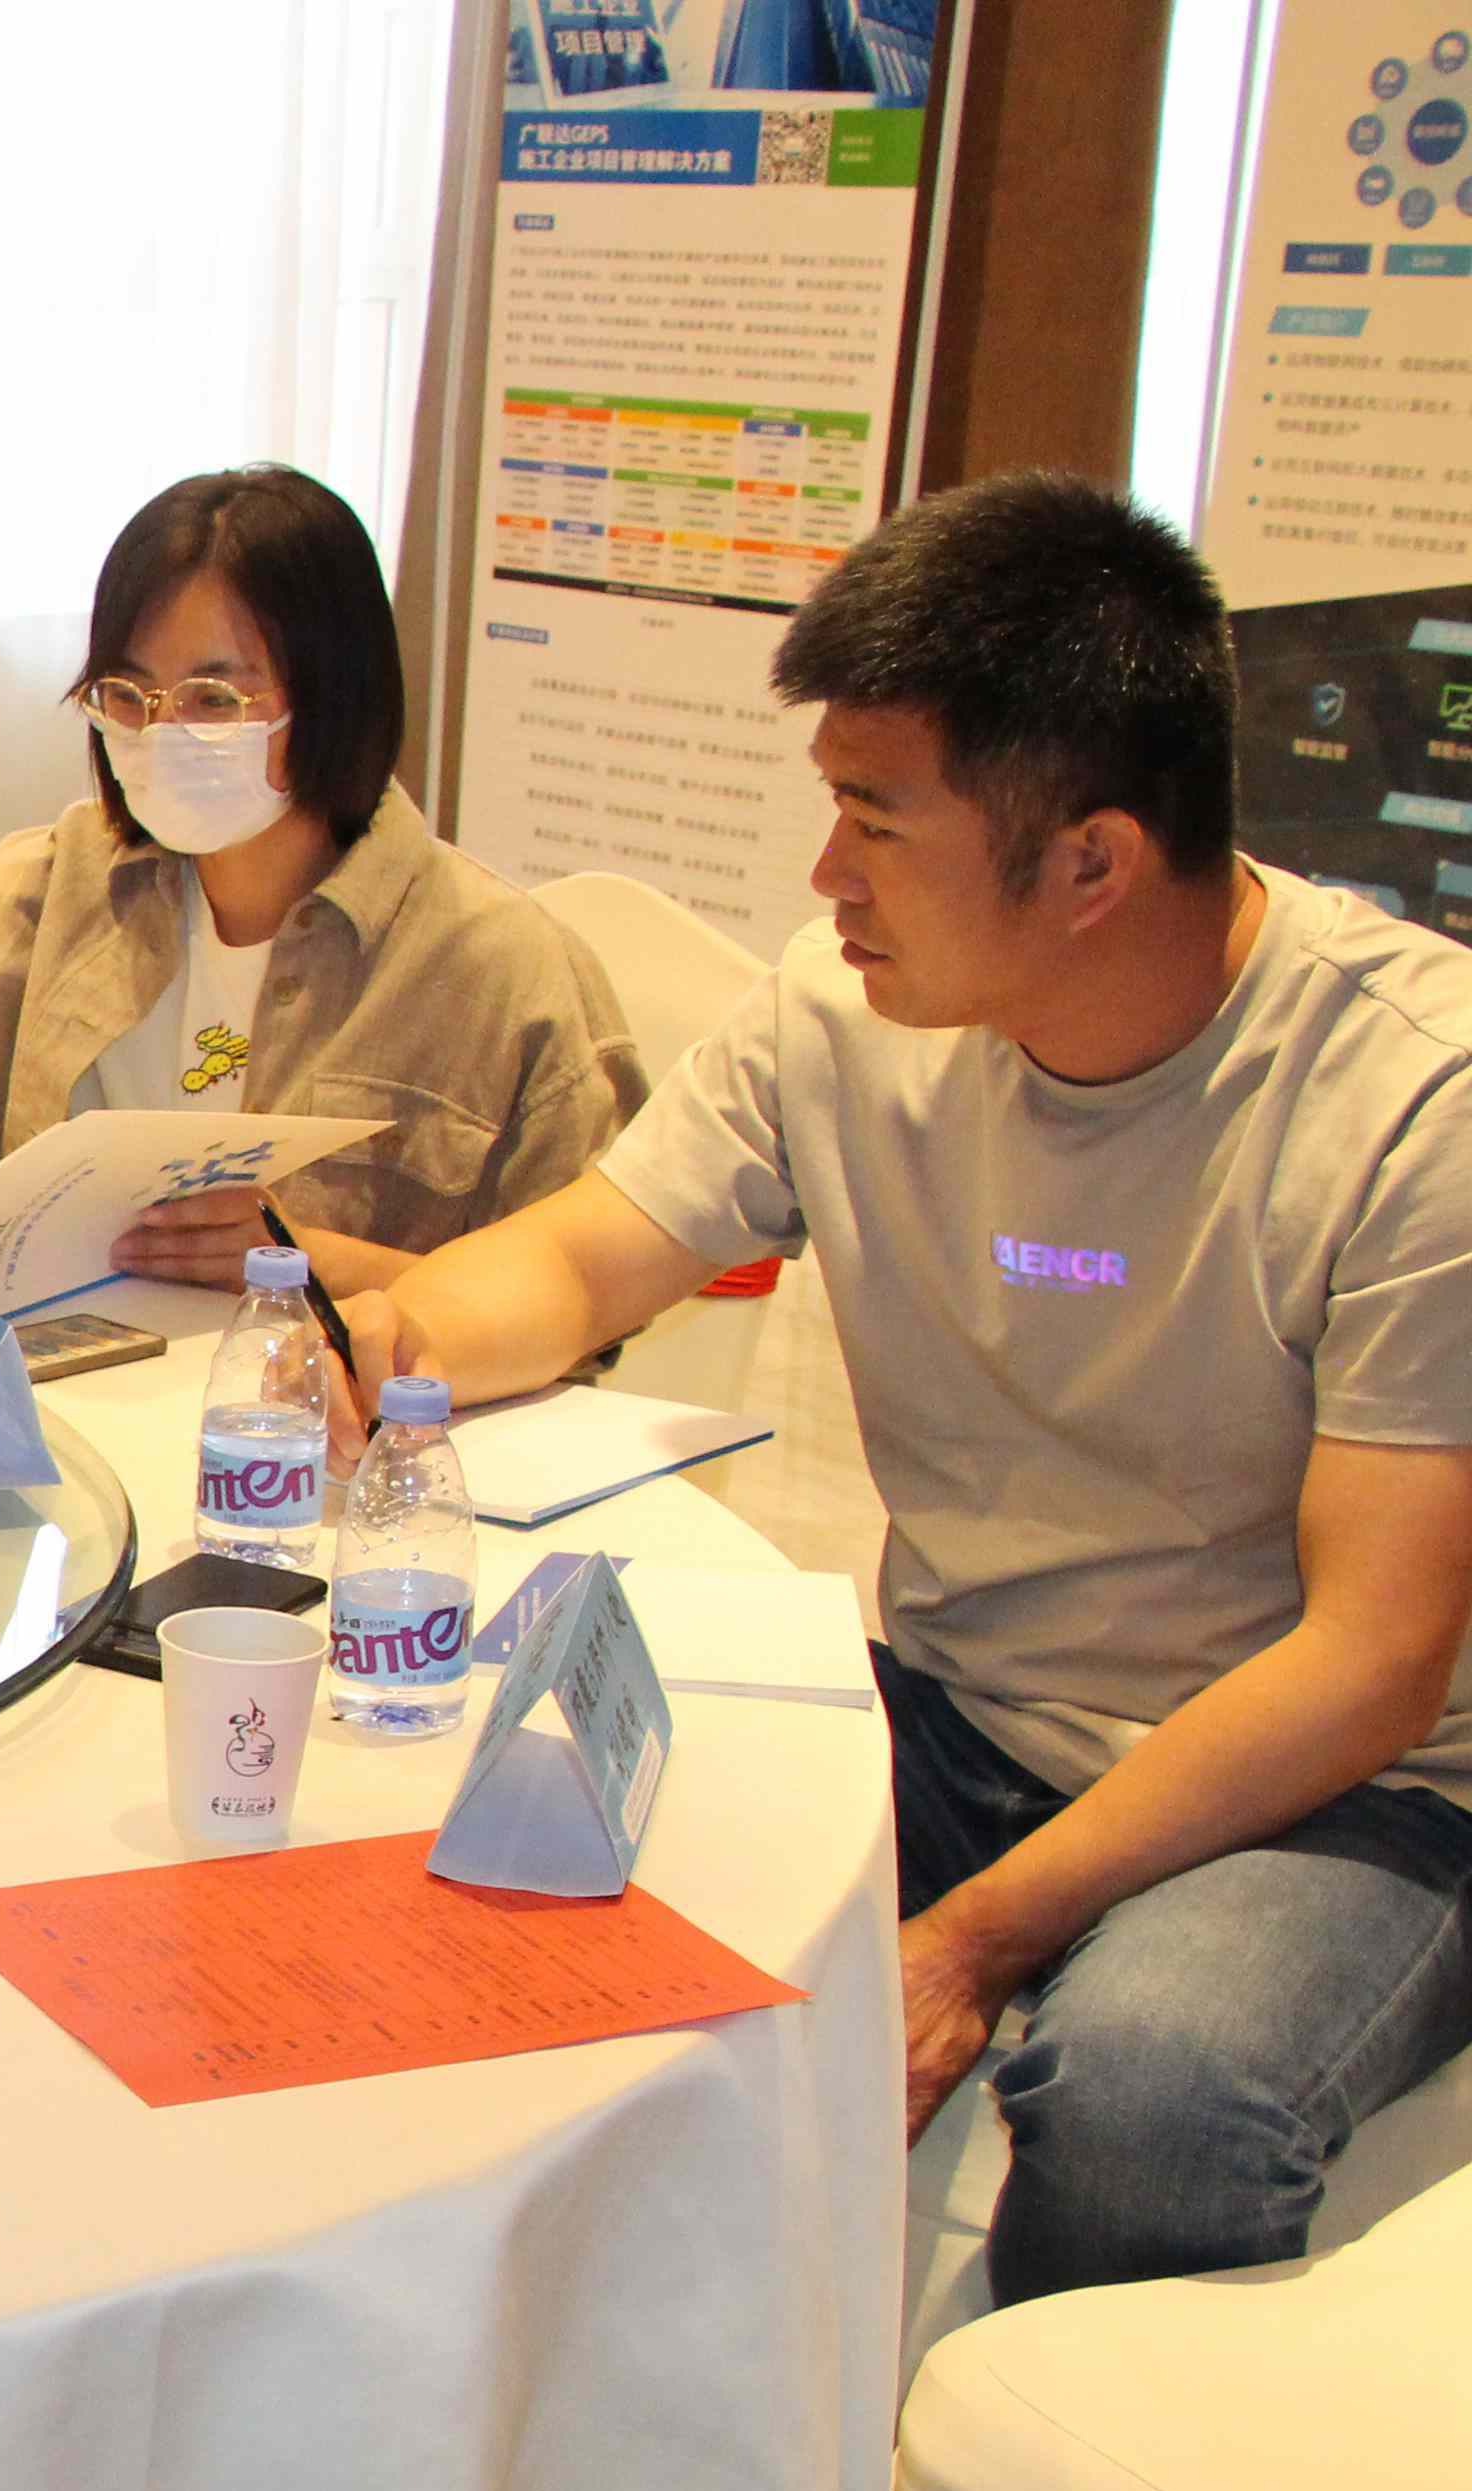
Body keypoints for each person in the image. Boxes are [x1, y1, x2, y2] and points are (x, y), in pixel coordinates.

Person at [338, 471, 1472, 2306]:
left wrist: (971, 1935)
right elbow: (584, 1260)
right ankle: (632, 2425)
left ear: (1091, 864)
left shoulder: (1415, 1103)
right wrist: (388, 1347)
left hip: (1336, 1795)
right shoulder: (836, 1014)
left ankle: (1023, 2487)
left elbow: (1373, 1660)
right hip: (960, 1714)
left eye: (873, 818)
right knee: (486, 1839)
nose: (824, 876)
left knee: (1149, 2102)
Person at [0, 466, 644, 1294]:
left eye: (214, 697)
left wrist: (315, 1263)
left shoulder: (498, 968)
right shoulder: (60, 880)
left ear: (335, 695)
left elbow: (585, 1295)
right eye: (130, 694)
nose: (163, 731)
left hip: (307, 1430)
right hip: (40, 1401)